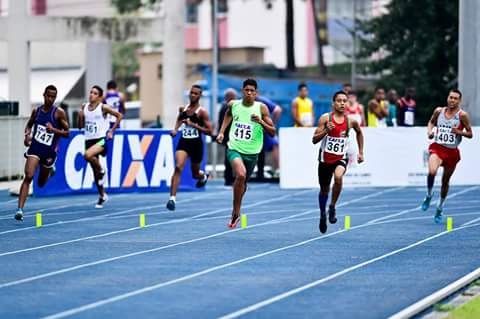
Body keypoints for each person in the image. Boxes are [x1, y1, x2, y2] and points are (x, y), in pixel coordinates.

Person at [216, 78, 276, 228]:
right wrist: (222, 132)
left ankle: (236, 209)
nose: (249, 93)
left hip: (252, 152)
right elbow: (228, 115)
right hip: (234, 147)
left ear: (256, 93)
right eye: (247, 90)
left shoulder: (261, 108)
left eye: (252, 91)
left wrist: (261, 122)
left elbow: (272, 132)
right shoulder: (233, 104)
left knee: (243, 183)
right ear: (242, 91)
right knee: (240, 175)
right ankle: (236, 213)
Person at [312, 90, 364, 234]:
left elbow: (359, 132)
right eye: (339, 100)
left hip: (341, 158)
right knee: (324, 190)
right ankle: (322, 214)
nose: (342, 103)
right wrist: (325, 132)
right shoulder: (325, 118)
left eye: (344, 101)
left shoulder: (350, 121)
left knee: (339, 177)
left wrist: (361, 152)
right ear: (333, 103)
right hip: (325, 160)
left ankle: (332, 206)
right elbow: (314, 140)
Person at [15, 85, 70, 221]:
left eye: (53, 97)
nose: (50, 99)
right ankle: (20, 210)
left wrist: (54, 130)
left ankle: (50, 169)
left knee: (40, 183)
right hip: (35, 148)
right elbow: (29, 125)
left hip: (49, 152)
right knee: (28, 176)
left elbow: (67, 132)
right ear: (44, 95)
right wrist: (27, 135)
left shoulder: (59, 113)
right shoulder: (37, 111)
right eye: (48, 96)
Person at [421, 89, 473, 223]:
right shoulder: (439, 111)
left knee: (445, 182)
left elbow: (470, 134)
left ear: (459, 101)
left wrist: (459, 132)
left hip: (452, 152)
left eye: (456, 98)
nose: (452, 100)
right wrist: (430, 131)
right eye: (451, 97)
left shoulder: (462, 115)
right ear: (447, 98)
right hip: (437, 147)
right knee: (432, 171)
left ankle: (440, 207)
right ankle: (429, 194)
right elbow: (431, 122)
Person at [167, 85, 213, 210]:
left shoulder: (202, 112)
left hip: (196, 144)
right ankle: (172, 199)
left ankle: (202, 176)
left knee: (195, 174)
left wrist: (193, 124)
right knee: (178, 167)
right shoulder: (184, 109)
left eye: (195, 93)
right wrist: (175, 129)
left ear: (200, 96)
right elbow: (179, 118)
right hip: (184, 142)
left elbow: (210, 131)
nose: (192, 95)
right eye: (191, 93)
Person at [78, 85, 123, 208]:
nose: (91, 94)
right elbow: (80, 127)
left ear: (100, 97)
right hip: (89, 140)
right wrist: (80, 115)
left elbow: (119, 115)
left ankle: (103, 170)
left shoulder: (103, 107)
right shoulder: (84, 107)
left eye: (95, 93)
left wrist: (111, 131)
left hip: (101, 140)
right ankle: (102, 195)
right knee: (95, 172)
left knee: (87, 155)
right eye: (91, 92)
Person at [255, 95, 282, 179]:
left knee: (275, 144)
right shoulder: (244, 102)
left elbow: (277, 110)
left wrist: (272, 124)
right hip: (254, 129)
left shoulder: (262, 101)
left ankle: (278, 169)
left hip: (263, 128)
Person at [218, 88, 237, 186]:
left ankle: (229, 178)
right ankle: (229, 179)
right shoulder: (227, 108)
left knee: (230, 159)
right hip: (230, 137)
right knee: (230, 159)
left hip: (228, 137)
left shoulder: (223, 107)